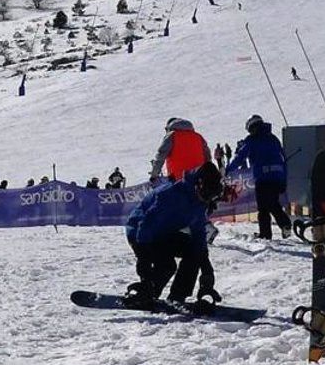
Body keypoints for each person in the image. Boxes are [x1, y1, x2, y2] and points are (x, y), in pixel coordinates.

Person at [123, 163, 224, 309]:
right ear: (199, 184)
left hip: (164, 233)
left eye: (212, 196)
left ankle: (178, 297)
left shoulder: (200, 200)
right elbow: (146, 225)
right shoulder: (170, 194)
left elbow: (198, 237)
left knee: (194, 251)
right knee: (166, 266)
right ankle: (148, 292)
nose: (207, 200)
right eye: (207, 194)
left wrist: (207, 278)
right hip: (139, 232)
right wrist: (144, 265)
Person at [226, 115, 291, 240]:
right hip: (278, 176)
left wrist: (229, 170)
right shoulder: (273, 138)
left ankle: (266, 234)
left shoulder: (252, 139)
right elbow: (283, 158)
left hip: (263, 177)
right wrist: (283, 180)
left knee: (263, 207)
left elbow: (240, 158)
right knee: (273, 203)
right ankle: (285, 225)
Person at [150, 117, 209, 182]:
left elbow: (161, 155)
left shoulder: (172, 136)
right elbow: (207, 157)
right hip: (200, 178)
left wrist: (154, 175)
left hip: (179, 180)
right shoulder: (198, 137)